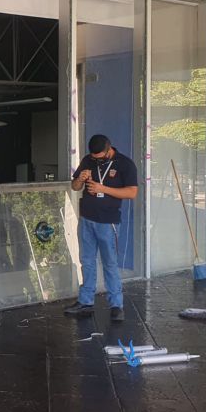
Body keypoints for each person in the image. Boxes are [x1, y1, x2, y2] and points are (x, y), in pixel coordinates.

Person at [65, 134, 138, 322]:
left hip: (108, 222)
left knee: (110, 263)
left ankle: (116, 305)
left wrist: (102, 189)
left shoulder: (125, 164)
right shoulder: (88, 160)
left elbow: (132, 192)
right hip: (87, 219)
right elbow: (74, 187)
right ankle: (86, 302)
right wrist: (80, 179)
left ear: (109, 149)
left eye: (100, 157)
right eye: (93, 157)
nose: (96, 160)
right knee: (86, 261)